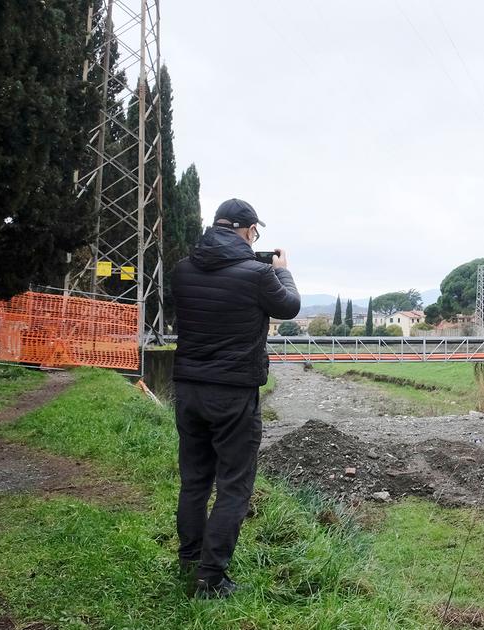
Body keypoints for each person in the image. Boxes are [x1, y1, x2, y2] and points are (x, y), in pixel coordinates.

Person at [170, 198, 300, 598]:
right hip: (232, 394)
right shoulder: (259, 274)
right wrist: (284, 271)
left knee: (194, 481)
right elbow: (290, 307)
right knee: (233, 486)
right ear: (246, 230)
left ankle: (189, 560)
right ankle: (210, 579)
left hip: (188, 388)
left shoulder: (181, 269)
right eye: (254, 232)